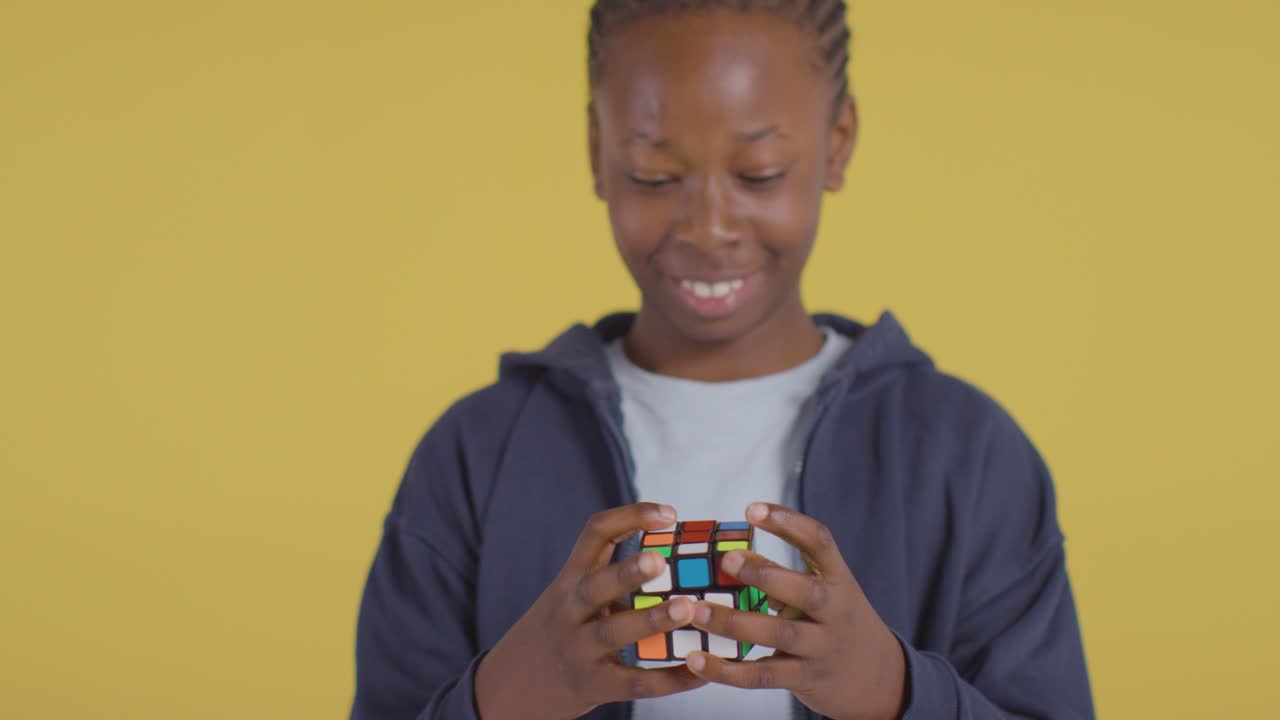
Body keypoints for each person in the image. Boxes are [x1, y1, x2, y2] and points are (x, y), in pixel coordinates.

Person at [350, 1, 1095, 718]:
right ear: (596, 151)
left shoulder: (967, 453)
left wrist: (894, 692)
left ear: (838, 141)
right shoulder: (477, 453)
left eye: (759, 173)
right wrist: (508, 695)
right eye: (653, 176)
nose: (708, 228)